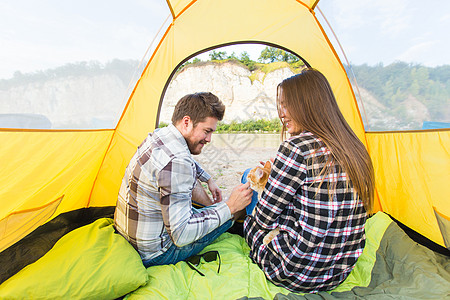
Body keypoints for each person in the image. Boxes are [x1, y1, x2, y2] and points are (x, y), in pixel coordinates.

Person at [243, 69, 375, 293]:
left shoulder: (295, 147)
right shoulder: (354, 146)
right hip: (338, 272)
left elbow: (264, 219)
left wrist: (274, 181)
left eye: (287, 105)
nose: (281, 114)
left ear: (307, 105)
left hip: (296, 271)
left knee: (250, 213)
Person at [114, 92, 252, 268]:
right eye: (207, 131)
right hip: (156, 253)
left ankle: (216, 210)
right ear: (186, 122)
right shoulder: (178, 162)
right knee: (235, 209)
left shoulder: (160, 135)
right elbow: (181, 236)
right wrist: (230, 206)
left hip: (132, 236)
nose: (209, 139)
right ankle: (234, 221)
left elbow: (182, 160)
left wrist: (208, 178)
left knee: (192, 185)